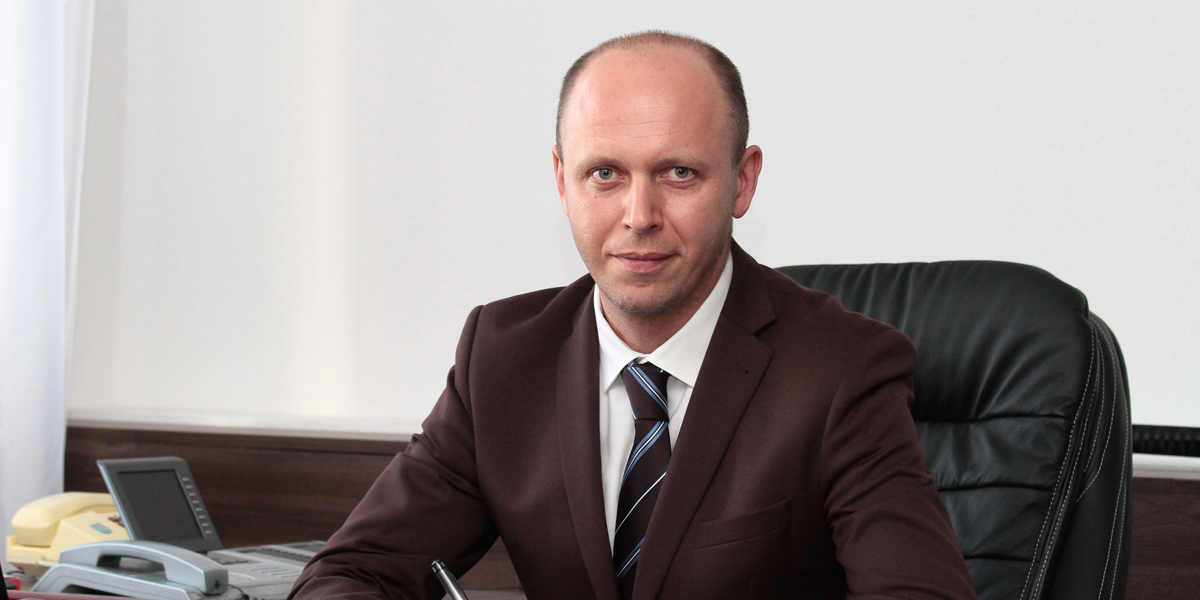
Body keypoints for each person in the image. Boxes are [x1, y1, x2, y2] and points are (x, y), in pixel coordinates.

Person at [289, 31, 976, 600]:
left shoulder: (842, 370)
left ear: (742, 181)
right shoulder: (502, 359)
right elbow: (349, 574)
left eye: (678, 174)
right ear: (562, 181)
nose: (639, 216)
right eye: (605, 174)